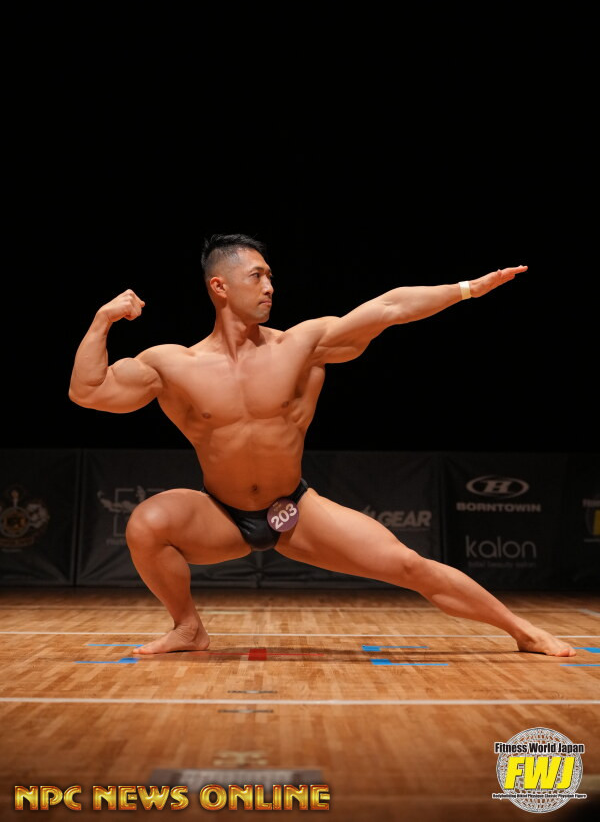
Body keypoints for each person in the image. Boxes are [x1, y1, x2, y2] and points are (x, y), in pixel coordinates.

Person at [68, 234, 576, 659]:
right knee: (147, 523)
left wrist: (467, 289)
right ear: (219, 286)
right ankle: (188, 628)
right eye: (256, 276)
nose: (270, 286)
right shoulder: (171, 363)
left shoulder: (302, 345)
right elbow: (87, 392)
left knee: (408, 566)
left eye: (270, 276)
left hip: (295, 511)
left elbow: (389, 307)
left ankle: (522, 631)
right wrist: (102, 320)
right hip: (221, 514)